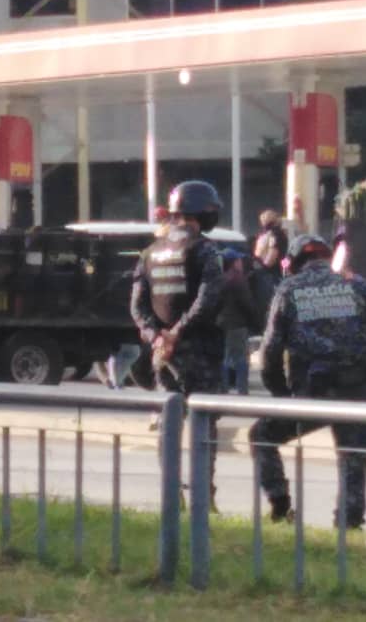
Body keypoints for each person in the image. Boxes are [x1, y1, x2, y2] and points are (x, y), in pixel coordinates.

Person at [249, 234, 366, 527]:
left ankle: (280, 506)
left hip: (313, 394)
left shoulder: (289, 289)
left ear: (295, 262)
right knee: (353, 459)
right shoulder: (356, 284)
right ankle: (349, 523)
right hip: (359, 388)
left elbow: (271, 351)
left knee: (261, 436)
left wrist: (281, 395)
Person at [131, 180, 225, 495]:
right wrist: (178, 331)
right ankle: (203, 495)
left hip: (163, 355)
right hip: (199, 352)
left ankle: (171, 495)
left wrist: (155, 336)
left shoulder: (150, 252)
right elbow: (208, 298)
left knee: (168, 424)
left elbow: (137, 305)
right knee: (204, 425)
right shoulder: (205, 249)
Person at [218, 249, 263, 394]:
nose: (241, 263)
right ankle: (242, 390)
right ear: (233, 263)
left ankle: (223, 389)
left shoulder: (219, 278)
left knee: (223, 357)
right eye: (238, 260)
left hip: (220, 324)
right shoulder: (238, 279)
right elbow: (247, 303)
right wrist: (257, 321)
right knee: (240, 358)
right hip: (237, 325)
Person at [253, 209, 288, 317]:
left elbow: (273, 256)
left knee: (269, 305)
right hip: (273, 272)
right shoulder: (270, 234)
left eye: (264, 220)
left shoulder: (275, 234)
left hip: (270, 273)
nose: (262, 222)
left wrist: (262, 266)